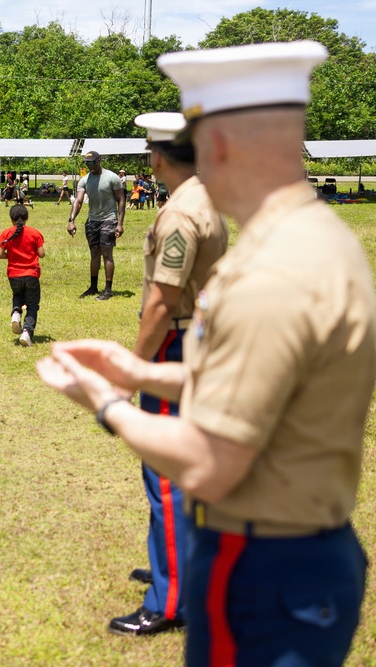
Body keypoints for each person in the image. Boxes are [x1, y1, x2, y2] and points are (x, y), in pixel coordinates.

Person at [38, 41, 376, 666]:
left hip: (265, 564)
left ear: (217, 145)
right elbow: (263, 382)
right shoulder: (312, 237)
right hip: (300, 547)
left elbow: (210, 465)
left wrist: (109, 404)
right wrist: (139, 370)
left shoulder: (272, 271)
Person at [105, 112, 228, 637]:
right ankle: (174, 565)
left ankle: (172, 596)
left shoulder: (180, 212)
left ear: (157, 156)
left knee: (166, 472)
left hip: (175, 344)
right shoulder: (206, 196)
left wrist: (130, 372)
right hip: (200, 339)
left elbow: (161, 302)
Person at [67, 151, 125, 300]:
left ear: (99, 160)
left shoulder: (112, 177)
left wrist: (119, 223)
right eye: (87, 163)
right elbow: (78, 201)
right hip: (92, 221)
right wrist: (71, 220)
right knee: (94, 254)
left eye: (92, 162)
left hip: (109, 220)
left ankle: (108, 289)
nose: (90, 165)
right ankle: (93, 287)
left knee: (107, 254)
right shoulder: (84, 180)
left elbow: (121, 200)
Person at [0, 203, 44, 347]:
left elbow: (0, 254)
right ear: (27, 218)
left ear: (11, 219)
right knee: (32, 305)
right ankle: (27, 332)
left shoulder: (6, 233)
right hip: (31, 274)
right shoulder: (35, 233)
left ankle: (16, 313)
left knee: (17, 295)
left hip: (14, 274)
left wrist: (12, 256)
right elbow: (41, 253)